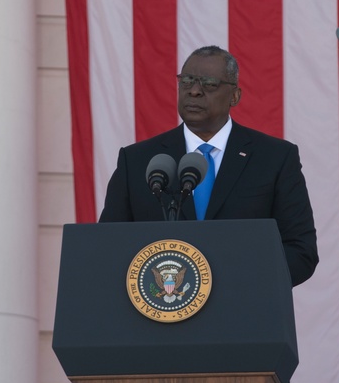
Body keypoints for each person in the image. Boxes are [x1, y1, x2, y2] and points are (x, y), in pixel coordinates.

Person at [99, 45, 319, 287]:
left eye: (209, 84)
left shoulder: (275, 157)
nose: (194, 91)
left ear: (235, 96)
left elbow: (300, 251)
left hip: (243, 313)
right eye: (187, 81)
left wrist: (233, 283)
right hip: (161, 312)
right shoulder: (138, 160)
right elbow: (108, 246)